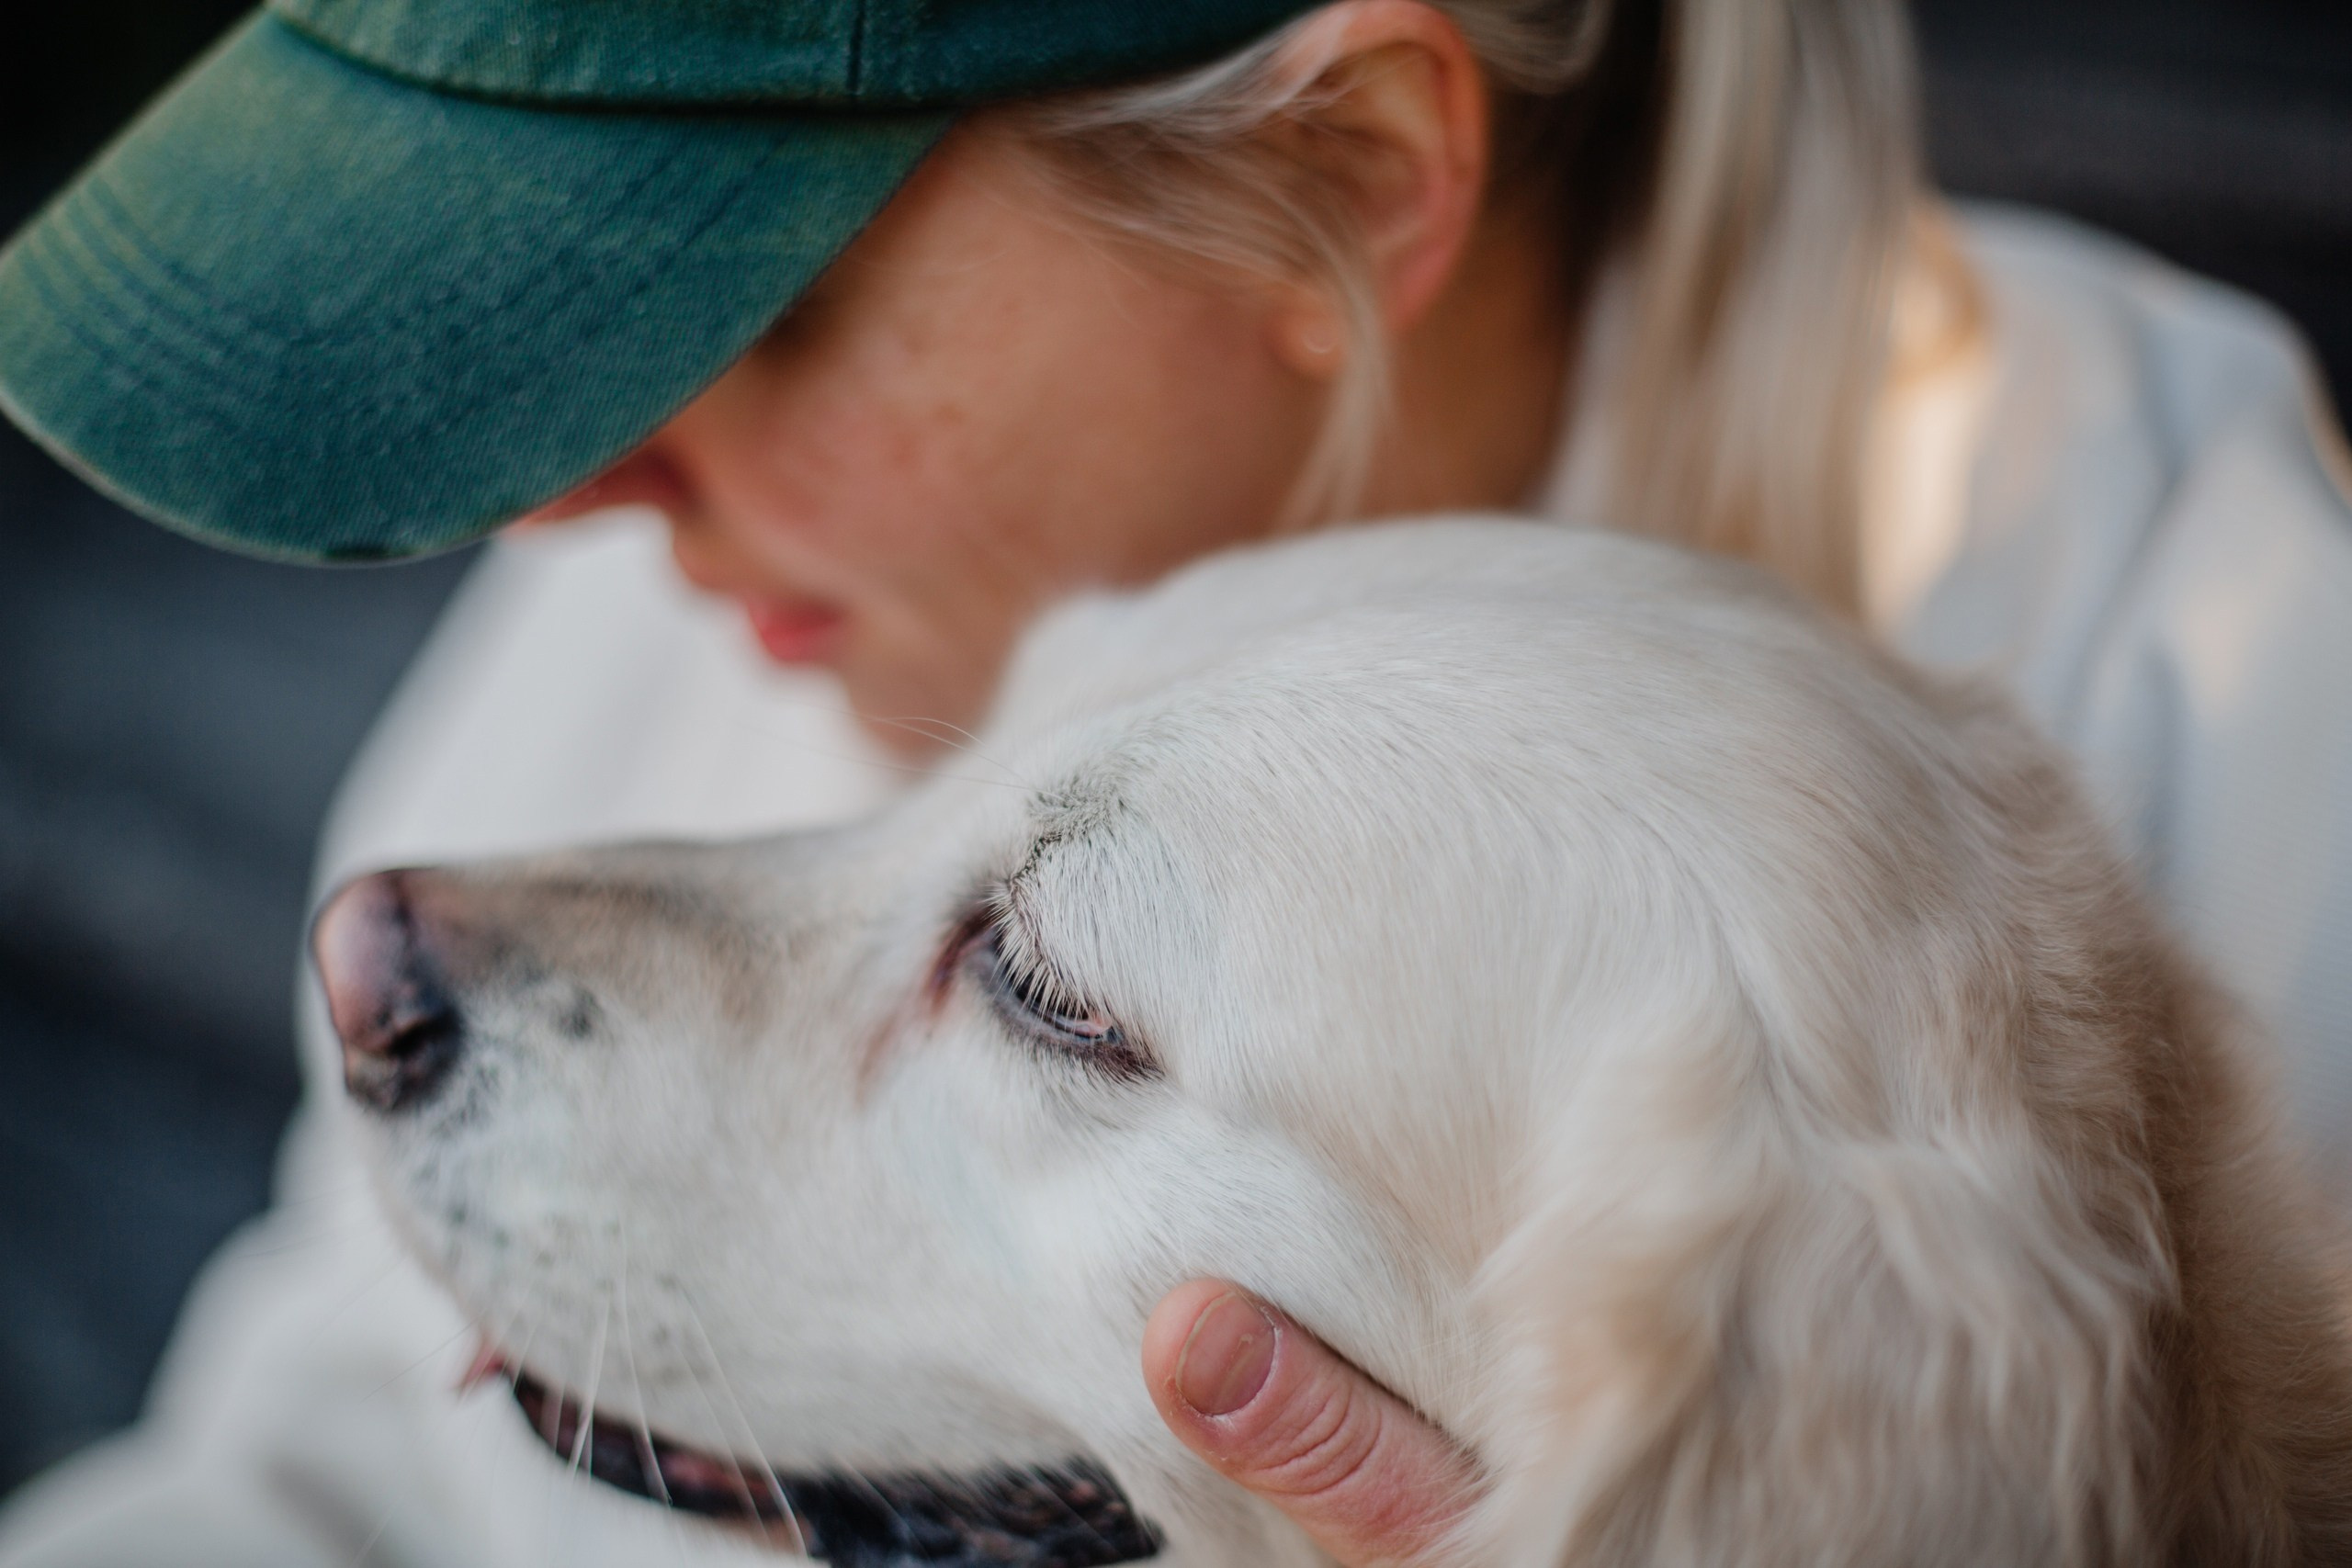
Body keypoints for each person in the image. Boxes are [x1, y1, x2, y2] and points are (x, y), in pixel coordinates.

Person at [0, 1, 2346, 1562]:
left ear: (1348, 160)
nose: (571, 494)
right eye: (549, 303)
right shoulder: (756, 570)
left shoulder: (2228, 720)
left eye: (747, 294)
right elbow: (336, 1481)